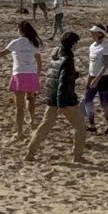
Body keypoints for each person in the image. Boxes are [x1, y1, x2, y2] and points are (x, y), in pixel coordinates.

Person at [25, 31, 88, 163]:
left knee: (44, 126)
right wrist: (61, 103)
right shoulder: (68, 59)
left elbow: (55, 77)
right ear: (73, 44)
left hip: (52, 97)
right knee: (80, 127)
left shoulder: (56, 56)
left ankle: (30, 152)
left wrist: (73, 75)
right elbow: (62, 82)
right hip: (65, 99)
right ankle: (77, 156)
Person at [0, 21, 44, 137]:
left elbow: (0, 54)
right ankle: (32, 120)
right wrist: (37, 74)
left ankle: (20, 132)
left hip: (19, 75)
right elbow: (39, 60)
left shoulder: (15, 43)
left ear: (20, 30)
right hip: (31, 74)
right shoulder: (34, 42)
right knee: (31, 99)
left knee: (19, 106)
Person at [83, 25, 108, 134]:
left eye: (94, 32)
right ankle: (92, 125)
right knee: (87, 100)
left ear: (100, 34)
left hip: (104, 78)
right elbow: (91, 64)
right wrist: (89, 78)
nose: (91, 33)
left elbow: (105, 65)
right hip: (92, 77)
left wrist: (97, 79)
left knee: (104, 103)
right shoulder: (92, 46)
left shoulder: (105, 47)